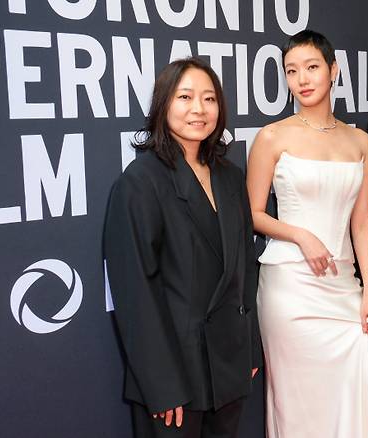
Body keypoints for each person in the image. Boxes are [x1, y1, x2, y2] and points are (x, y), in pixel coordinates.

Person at [246, 30, 368, 438]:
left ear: (333, 70)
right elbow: (254, 214)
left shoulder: (360, 140)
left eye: (312, 68)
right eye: (292, 71)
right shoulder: (272, 136)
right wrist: (301, 235)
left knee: (362, 378)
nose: (303, 79)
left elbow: (361, 220)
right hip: (290, 286)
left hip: (343, 284)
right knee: (299, 401)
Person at [103, 57, 261, 438]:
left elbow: (245, 270)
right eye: (185, 97)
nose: (198, 109)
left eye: (209, 99)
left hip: (228, 369)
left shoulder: (230, 175)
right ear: (163, 104)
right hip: (174, 378)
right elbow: (135, 294)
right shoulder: (140, 183)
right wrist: (161, 386)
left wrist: (249, 349)